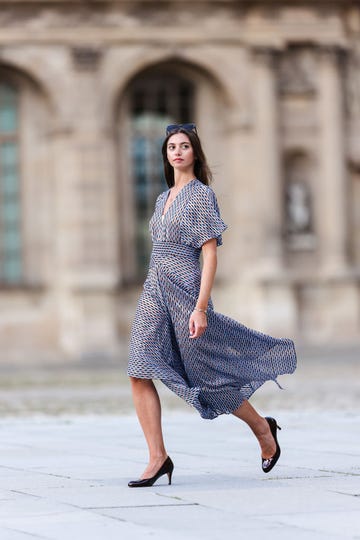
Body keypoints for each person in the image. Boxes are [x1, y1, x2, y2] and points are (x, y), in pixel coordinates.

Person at [127, 123, 297, 488]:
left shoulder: (201, 195)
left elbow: (209, 256)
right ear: (166, 154)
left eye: (184, 146)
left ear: (194, 153)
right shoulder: (162, 198)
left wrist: (201, 307)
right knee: (139, 368)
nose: (177, 151)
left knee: (206, 376)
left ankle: (262, 429)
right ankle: (158, 458)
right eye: (171, 146)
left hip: (187, 291)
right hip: (153, 288)